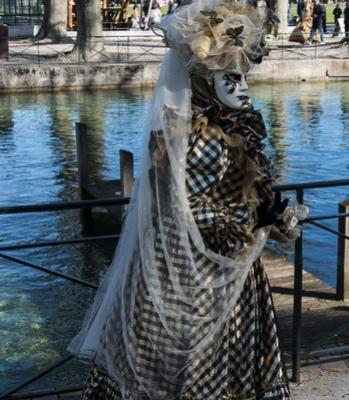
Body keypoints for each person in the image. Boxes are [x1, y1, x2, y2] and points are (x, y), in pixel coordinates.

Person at [69, 1, 296, 399]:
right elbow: (175, 204)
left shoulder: (237, 126)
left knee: (226, 358)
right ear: (206, 80)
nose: (242, 87)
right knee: (186, 363)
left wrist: (272, 218)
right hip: (185, 269)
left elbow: (251, 192)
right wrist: (243, 222)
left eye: (244, 77)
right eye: (231, 78)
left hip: (230, 268)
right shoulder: (188, 136)